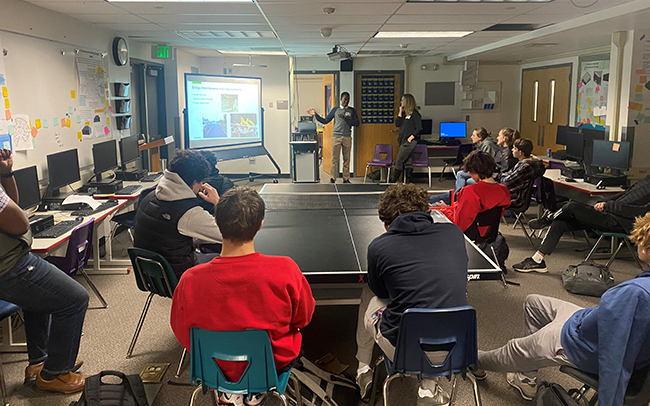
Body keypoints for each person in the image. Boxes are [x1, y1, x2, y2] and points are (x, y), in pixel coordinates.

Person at [478, 212, 650, 406]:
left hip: (578, 343)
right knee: (534, 303)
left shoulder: (634, 294)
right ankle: (526, 377)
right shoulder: (639, 290)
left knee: (514, 349)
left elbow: (614, 357)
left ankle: (471, 359)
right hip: (586, 322)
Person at [171, 187, 315, 406]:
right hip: (272, 365)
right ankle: (254, 388)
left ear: (217, 223)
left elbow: (183, 334)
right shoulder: (285, 269)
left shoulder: (189, 280)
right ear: (260, 225)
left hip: (213, 367)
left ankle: (231, 390)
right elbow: (303, 319)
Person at [355, 183, 468, 405]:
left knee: (369, 291)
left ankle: (362, 368)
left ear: (387, 224)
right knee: (442, 296)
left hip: (404, 350)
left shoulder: (379, 247)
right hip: (458, 344)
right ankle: (428, 388)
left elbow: (381, 291)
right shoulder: (455, 233)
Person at [0, 149, 89, 394]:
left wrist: (6, 174)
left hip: (11, 260)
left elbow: (12, 205)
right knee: (75, 299)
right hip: (9, 266)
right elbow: (20, 223)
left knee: (39, 300)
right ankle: (55, 374)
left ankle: (39, 362)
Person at [513, 172, 650, 272]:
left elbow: (640, 213)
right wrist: (604, 202)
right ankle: (537, 260)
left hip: (620, 222)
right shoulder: (647, 179)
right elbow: (624, 194)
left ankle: (546, 219)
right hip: (609, 214)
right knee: (560, 223)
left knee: (572, 206)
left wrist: (608, 206)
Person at [134, 149, 222, 279]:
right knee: (226, 262)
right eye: (200, 182)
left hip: (150, 273)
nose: (201, 186)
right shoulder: (188, 212)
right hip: (180, 276)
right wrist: (218, 202)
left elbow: (170, 233)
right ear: (193, 183)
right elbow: (227, 234)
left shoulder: (150, 196)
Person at [432, 151, 511, 232]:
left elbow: (459, 225)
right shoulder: (504, 190)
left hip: (468, 234)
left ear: (476, 170)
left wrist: (445, 210)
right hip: (488, 232)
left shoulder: (470, 191)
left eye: (470, 171)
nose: (469, 174)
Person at [307, 91, 359, 183]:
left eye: (348, 100)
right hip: (336, 137)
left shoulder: (352, 111)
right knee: (335, 159)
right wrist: (316, 115)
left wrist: (346, 119)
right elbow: (325, 121)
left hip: (347, 137)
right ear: (340, 99)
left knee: (346, 159)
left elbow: (357, 123)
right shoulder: (335, 110)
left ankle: (346, 178)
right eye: (345, 99)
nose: (346, 101)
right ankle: (332, 178)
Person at [500, 138, 546, 210]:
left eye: (514, 148)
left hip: (516, 198)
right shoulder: (527, 163)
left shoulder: (525, 167)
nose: (512, 150)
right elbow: (508, 174)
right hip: (516, 194)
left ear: (521, 152)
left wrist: (501, 177)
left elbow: (506, 182)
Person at [390, 94, 423, 183]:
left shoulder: (415, 114)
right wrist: (400, 112)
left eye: (402, 100)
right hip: (402, 140)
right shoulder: (404, 114)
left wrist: (411, 137)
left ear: (407, 101)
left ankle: (393, 181)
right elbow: (397, 124)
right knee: (408, 161)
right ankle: (408, 182)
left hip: (409, 141)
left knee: (399, 161)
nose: (401, 102)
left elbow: (419, 128)